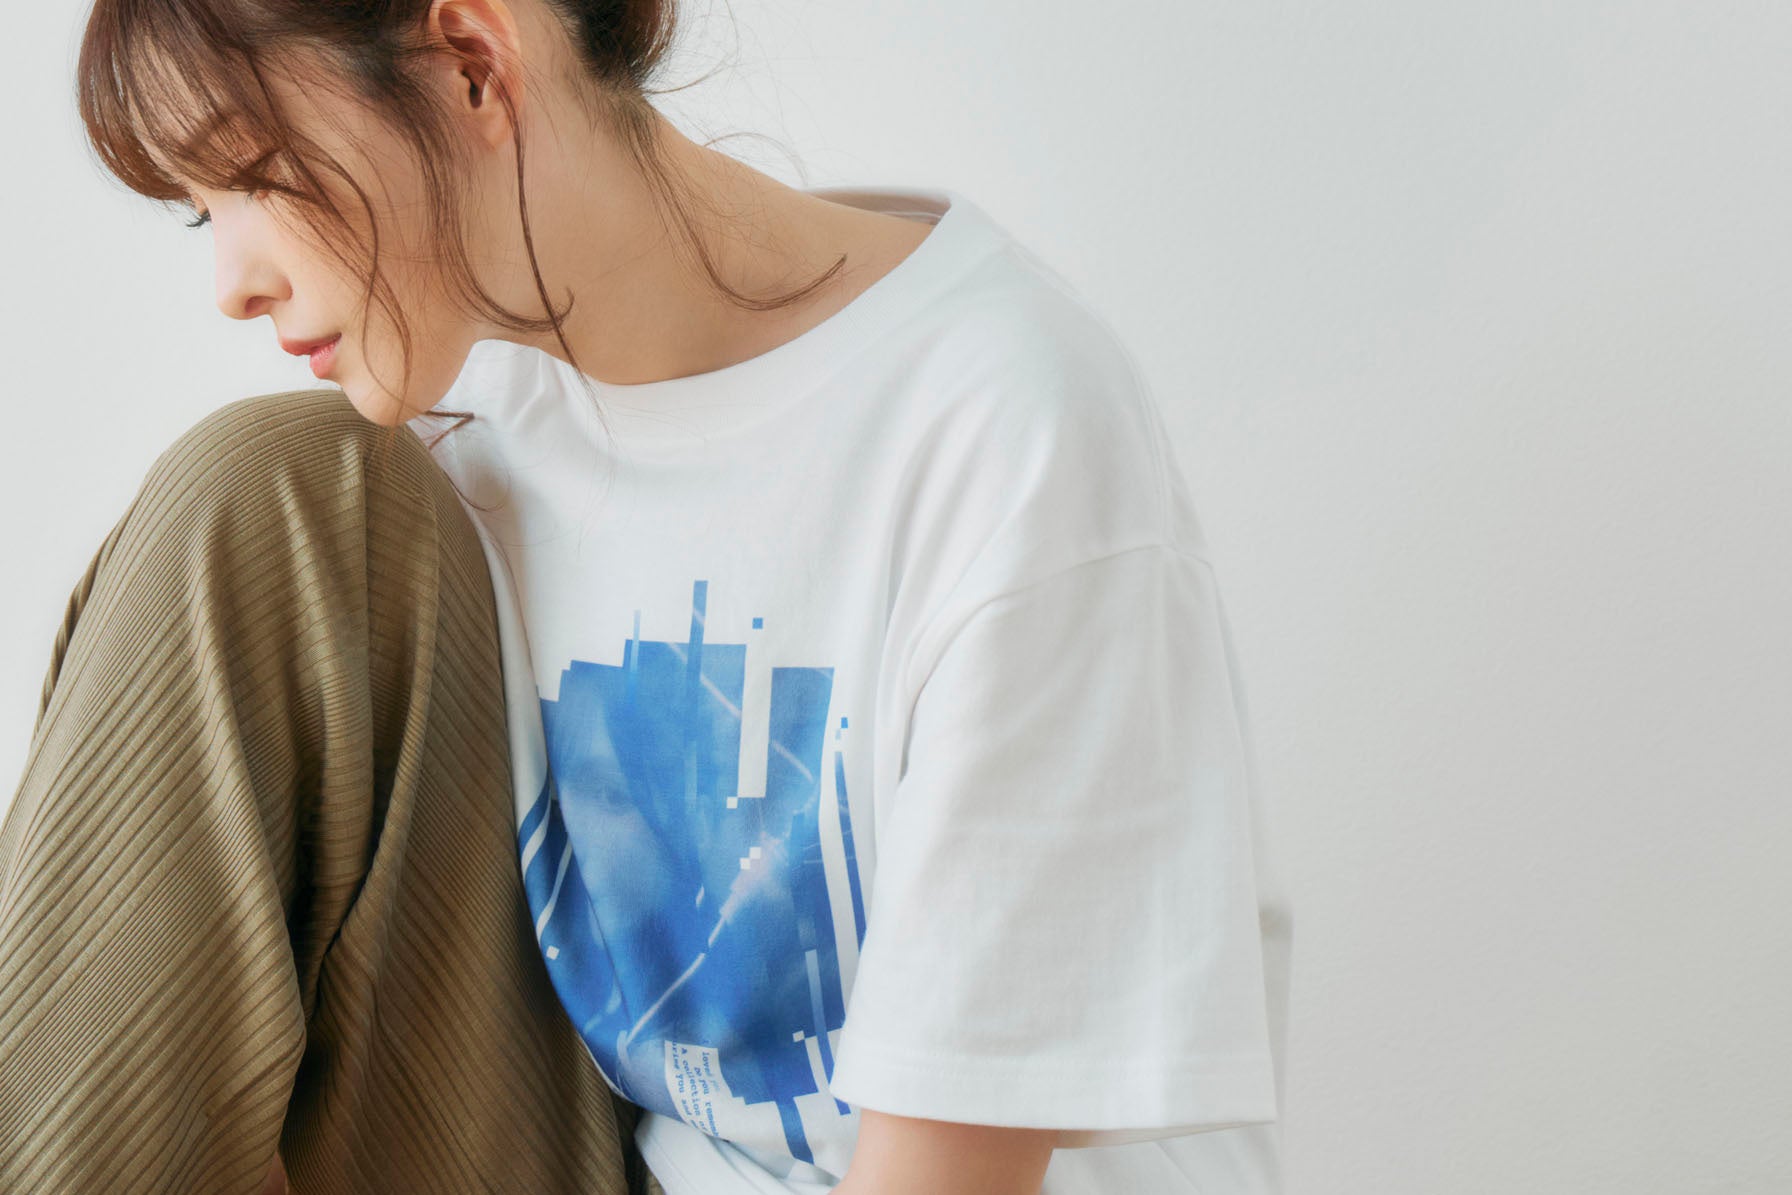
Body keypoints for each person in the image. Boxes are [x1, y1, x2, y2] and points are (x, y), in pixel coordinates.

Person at [9, 0, 1293, 1191]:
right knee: (264, 488)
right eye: (203, 214)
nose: (232, 283)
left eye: (257, 175)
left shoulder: (1000, 426)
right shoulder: (473, 433)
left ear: (471, 62)